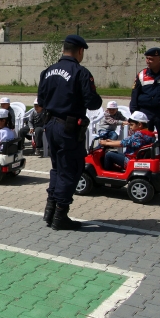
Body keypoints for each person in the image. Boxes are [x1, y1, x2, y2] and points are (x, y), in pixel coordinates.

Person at [38, 35, 102, 231]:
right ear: (80, 51)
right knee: (71, 169)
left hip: (50, 126)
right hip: (68, 128)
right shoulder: (80, 72)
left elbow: (40, 101)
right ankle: (60, 216)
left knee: (57, 168)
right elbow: (93, 102)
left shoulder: (47, 71)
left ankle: (50, 211)